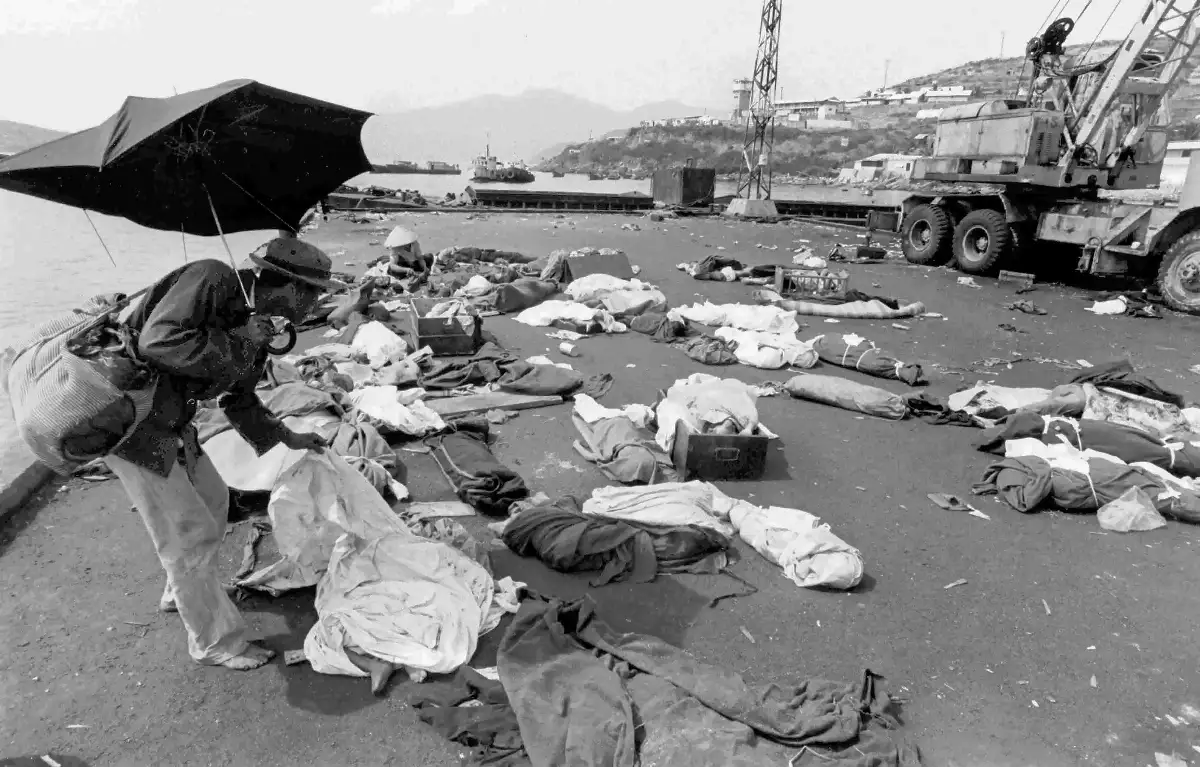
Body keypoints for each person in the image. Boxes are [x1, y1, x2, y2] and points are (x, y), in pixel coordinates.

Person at [104, 235, 341, 671]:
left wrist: (289, 437)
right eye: (313, 294)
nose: (313, 307)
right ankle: (215, 643)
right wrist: (237, 340)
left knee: (214, 502)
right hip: (135, 429)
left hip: (172, 423)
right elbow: (159, 342)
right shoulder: (213, 277)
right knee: (187, 535)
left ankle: (183, 592)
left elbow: (239, 399)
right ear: (289, 286)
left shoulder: (257, 323)